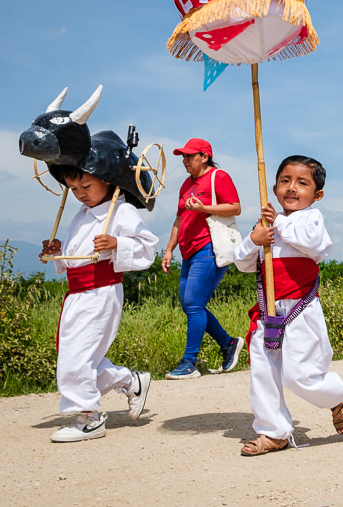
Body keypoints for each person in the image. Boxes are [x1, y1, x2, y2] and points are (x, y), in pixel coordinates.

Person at [234, 155, 343, 456]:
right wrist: (255, 238)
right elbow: (242, 262)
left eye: (302, 183)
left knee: (299, 375)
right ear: (274, 188)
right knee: (264, 372)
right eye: (285, 181)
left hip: (300, 309)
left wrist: (279, 225)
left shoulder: (309, 219)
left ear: (317, 194)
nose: (292, 188)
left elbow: (313, 244)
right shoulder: (265, 225)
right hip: (268, 311)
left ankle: (339, 393)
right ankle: (273, 431)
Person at [41, 165, 158, 442]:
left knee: (77, 356)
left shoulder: (121, 210)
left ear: (106, 179)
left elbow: (148, 245)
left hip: (100, 291)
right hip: (77, 293)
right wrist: (59, 252)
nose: (80, 194)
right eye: (73, 189)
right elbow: (77, 255)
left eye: (86, 186)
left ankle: (89, 418)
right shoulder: (81, 215)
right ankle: (129, 381)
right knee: (74, 353)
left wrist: (117, 242)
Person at [161, 138, 244, 379]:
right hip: (187, 252)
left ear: (204, 156)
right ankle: (228, 344)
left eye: (189, 156)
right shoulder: (186, 184)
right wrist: (169, 250)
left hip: (208, 248)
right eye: (183, 157)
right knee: (190, 305)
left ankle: (189, 362)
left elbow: (235, 207)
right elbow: (179, 219)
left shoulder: (219, 177)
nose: (185, 161)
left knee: (194, 304)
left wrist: (203, 209)